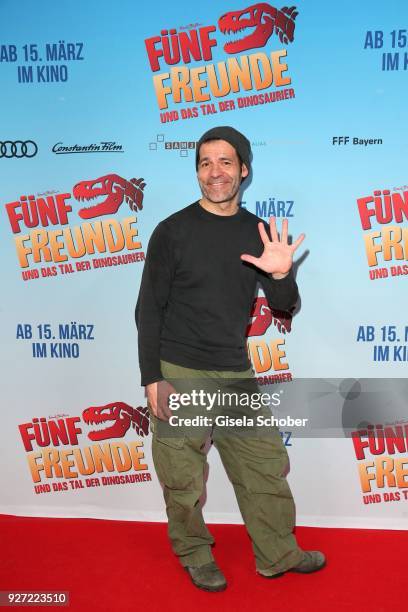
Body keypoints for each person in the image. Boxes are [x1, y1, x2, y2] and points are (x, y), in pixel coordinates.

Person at [135, 126, 325, 592]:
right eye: (205, 163)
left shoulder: (256, 231)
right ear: (197, 173)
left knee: (264, 464)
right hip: (180, 369)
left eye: (225, 162)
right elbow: (148, 308)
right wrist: (152, 377)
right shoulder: (172, 231)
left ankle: (278, 553)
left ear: (243, 169)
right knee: (181, 475)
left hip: (235, 371)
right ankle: (195, 552)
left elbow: (283, 306)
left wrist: (282, 274)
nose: (215, 172)